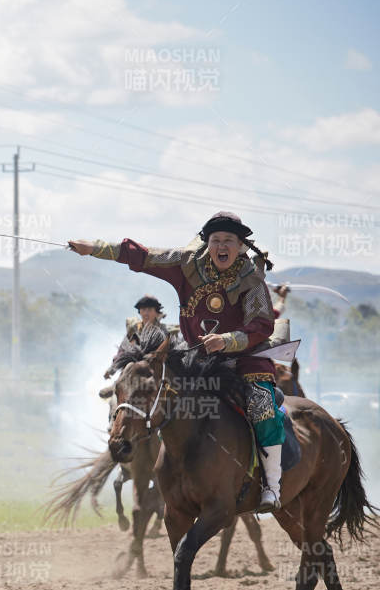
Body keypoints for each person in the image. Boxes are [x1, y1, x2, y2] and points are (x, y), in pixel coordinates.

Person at [69, 211, 286, 512]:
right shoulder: (186, 264)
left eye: (229, 241)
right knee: (149, 391)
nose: (222, 246)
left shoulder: (251, 281)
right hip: (195, 356)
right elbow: (142, 256)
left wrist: (227, 340)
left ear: (241, 246)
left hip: (245, 359)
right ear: (207, 243)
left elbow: (262, 326)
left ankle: (271, 486)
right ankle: (145, 461)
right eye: (215, 240)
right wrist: (93, 249)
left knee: (263, 407)